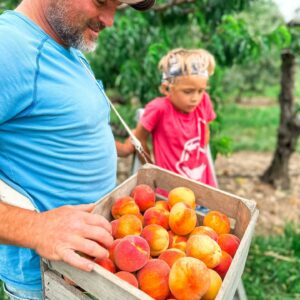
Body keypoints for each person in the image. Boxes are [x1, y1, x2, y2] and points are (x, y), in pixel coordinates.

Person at [0, 0, 154, 299]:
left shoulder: (68, 49)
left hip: (89, 271)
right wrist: (35, 228)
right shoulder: (9, 48)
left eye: (119, 6)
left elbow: (71, 130)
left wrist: (119, 149)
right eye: (101, 1)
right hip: (47, 281)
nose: (110, 20)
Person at [132, 48, 218, 187]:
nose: (195, 98)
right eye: (188, 91)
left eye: (201, 91)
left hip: (204, 188)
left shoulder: (204, 102)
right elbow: (139, 138)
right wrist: (152, 168)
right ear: (167, 88)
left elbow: (205, 131)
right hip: (171, 193)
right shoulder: (159, 109)